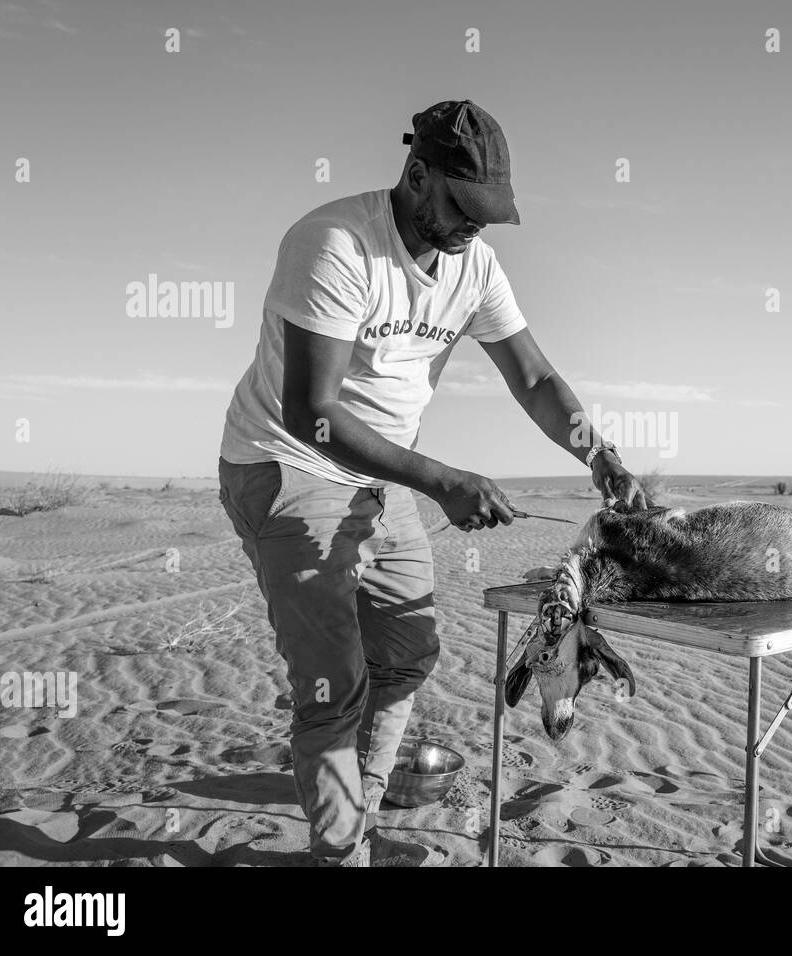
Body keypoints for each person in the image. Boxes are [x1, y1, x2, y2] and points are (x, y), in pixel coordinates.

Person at [216, 99, 648, 866]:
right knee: (333, 685)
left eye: (487, 214)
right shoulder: (335, 244)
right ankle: (341, 850)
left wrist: (598, 453)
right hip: (288, 464)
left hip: (379, 480)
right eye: (461, 207)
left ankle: (360, 809)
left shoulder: (473, 264)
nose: (472, 228)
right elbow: (312, 413)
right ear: (417, 175)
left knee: (408, 653)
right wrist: (445, 479)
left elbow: (536, 375)